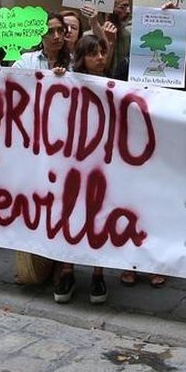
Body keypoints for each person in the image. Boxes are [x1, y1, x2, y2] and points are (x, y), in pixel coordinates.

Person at [52, 32, 118, 305]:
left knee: (98, 214)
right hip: (72, 161)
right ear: (81, 58)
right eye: (93, 54)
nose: (100, 58)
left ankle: (97, 273)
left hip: (103, 162)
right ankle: (67, 271)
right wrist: (56, 77)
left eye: (103, 52)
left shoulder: (115, 84)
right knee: (69, 213)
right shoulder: (68, 81)